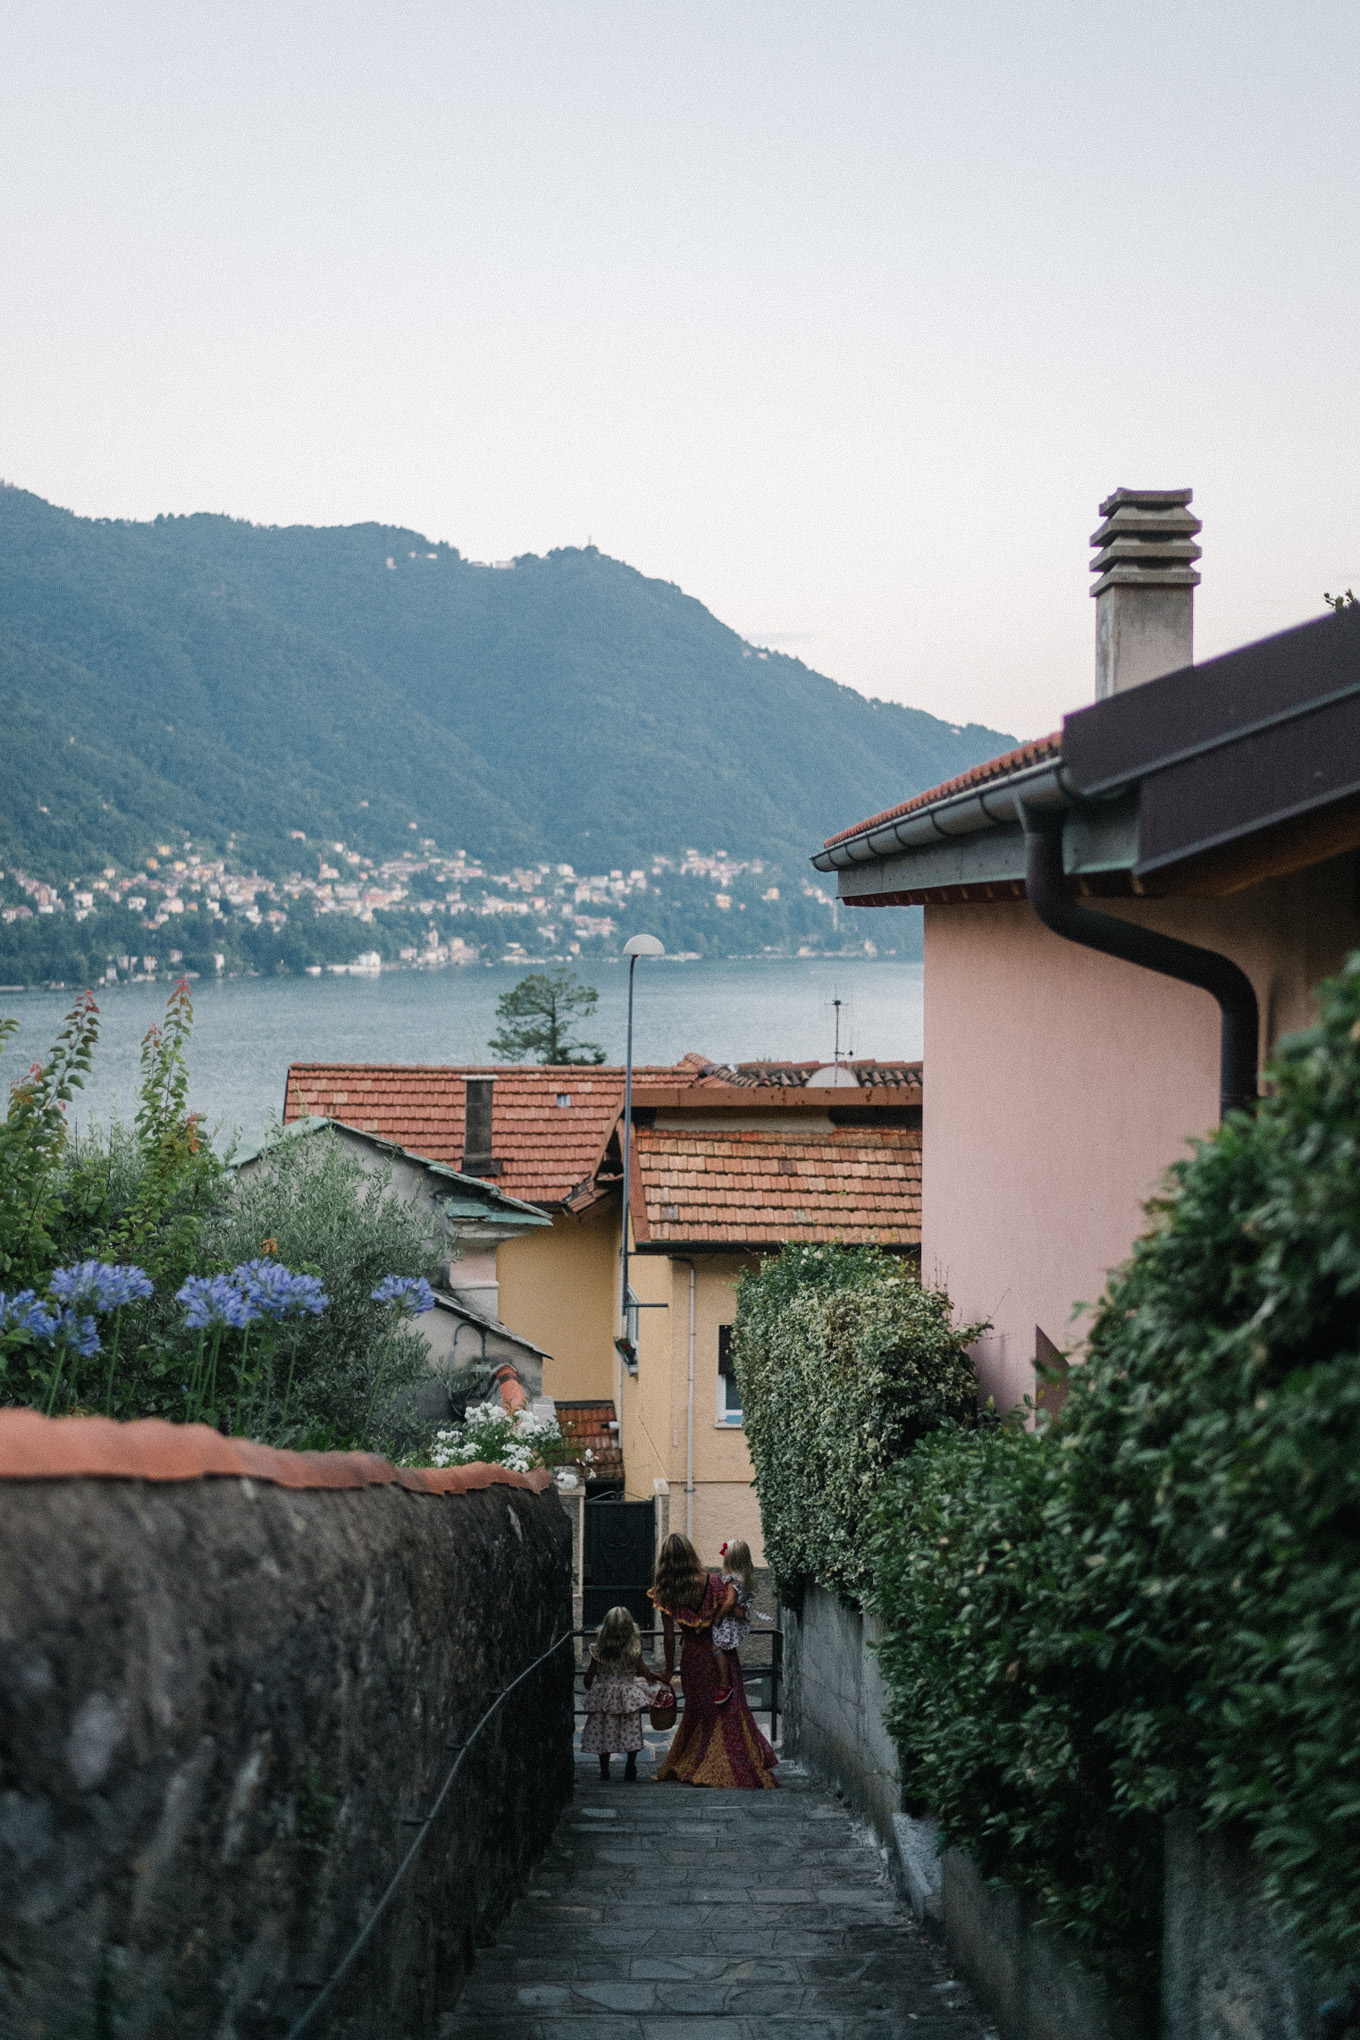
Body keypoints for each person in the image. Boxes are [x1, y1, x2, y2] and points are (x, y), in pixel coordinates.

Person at [649, 1532, 777, 1789]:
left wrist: (669, 1669)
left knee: (698, 1713)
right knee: (728, 1711)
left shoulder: (665, 1592)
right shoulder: (715, 1583)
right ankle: (731, 1764)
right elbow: (738, 1613)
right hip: (722, 1658)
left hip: (692, 1659)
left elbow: (669, 1636)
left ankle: (696, 1760)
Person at [581, 1606, 665, 1782]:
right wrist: (657, 1676)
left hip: (604, 1696)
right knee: (630, 1730)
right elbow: (646, 1674)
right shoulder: (633, 1651)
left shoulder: (597, 1650)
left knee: (602, 1732)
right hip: (628, 1695)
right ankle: (630, 1766)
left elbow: (588, 1678)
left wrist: (593, 1686)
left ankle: (605, 1771)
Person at [712, 1537, 755, 1706]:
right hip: (734, 1622)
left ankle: (724, 1684)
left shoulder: (731, 1580)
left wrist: (718, 1617)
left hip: (727, 1623)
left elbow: (729, 1602)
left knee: (716, 1647)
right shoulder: (744, 1579)